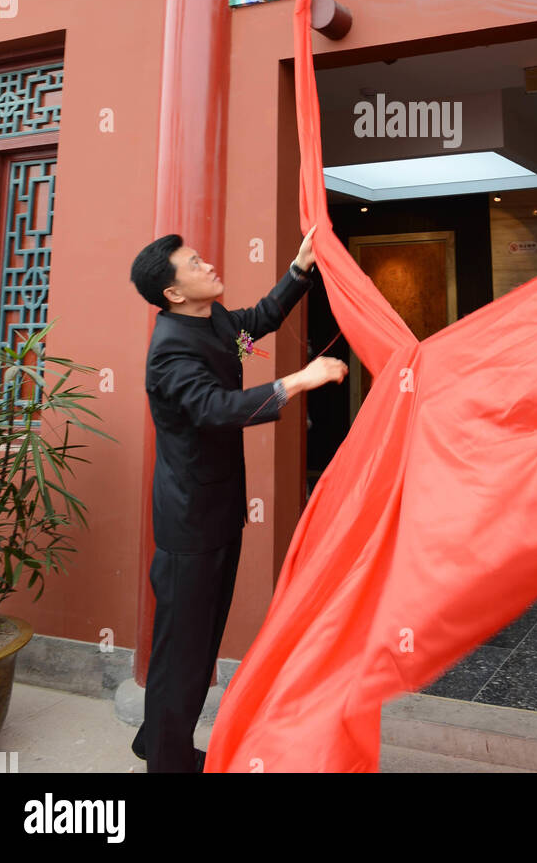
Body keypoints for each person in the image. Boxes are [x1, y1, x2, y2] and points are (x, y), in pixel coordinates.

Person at [129, 224, 347, 773]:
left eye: (201, 256)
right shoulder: (169, 350)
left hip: (219, 510)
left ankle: (155, 740)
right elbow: (215, 409)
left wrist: (300, 267)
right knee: (184, 652)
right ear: (173, 293)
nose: (208, 265)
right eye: (195, 263)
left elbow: (259, 321)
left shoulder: (214, 320)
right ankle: (168, 762)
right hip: (190, 524)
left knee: (194, 644)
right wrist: (301, 380)